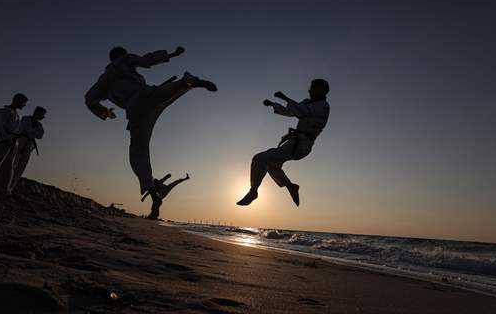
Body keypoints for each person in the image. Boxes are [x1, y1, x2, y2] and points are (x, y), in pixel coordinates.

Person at [85, 45, 217, 219]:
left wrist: (105, 112)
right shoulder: (125, 60)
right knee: (165, 93)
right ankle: (189, 82)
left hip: (134, 112)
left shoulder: (103, 80)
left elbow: (89, 99)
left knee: (138, 152)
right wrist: (170, 54)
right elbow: (146, 60)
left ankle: (152, 193)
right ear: (121, 55)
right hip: (144, 96)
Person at [237, 79, 330, 207]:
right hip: (293, 142)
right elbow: (291, 112)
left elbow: (303, 113)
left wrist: (285, 98)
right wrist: (273, 104)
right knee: (271, 165)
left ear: (323, 90)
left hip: (302, 145)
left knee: (260, 158)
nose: (309, 90)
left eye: (313, 88)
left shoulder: (323, 106)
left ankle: (253, 192)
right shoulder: (307, 102)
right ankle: (291, 186)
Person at [8, 106, 46, 194]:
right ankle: (6, 183)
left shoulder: (39, 125)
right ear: (37, 113)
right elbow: (24, 129)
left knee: (22, 166)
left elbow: (40, 135)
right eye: (42, 115)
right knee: (13, 162)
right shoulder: (25, 119)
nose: (43, 117)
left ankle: (11, 187)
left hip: (29, 145)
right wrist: (33, 133)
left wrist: (31, 132)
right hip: (21, 140)